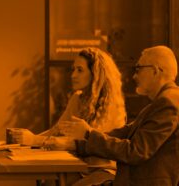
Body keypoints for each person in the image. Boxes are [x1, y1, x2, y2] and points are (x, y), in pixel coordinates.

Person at [12, 47, 126, 185]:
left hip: (103, 171)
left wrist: (34, 140)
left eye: (80, 70)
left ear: (96, 74)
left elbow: (92, 146)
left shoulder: (110, 105)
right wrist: (26, 141)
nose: (73, 75)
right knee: (48, 182)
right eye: (73, 69)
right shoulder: (77, 99)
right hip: (78, 167)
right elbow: (57, 130)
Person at [67, 45, 179, 186]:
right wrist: (77, 144)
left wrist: (88, 134)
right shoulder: (160, 102)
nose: (134, 76)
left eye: (138, 69)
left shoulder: (168, 103)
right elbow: (124, 133)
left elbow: (135, 151)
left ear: (155, 71)